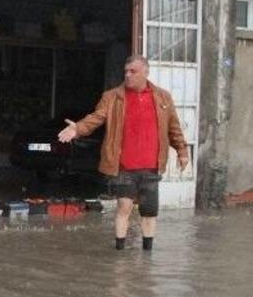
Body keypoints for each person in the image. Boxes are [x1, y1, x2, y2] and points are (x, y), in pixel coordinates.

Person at [58, 55, 189, 251]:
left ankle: (147, 252)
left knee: (149, 211)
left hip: (152, 165)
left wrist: (182, 151)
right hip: (124, 165)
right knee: (124, 207)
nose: (128, 75)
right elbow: (96, 118)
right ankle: (119, 250)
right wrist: (77, 128)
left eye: (133, 72)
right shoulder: (113, 97)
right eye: (126, 72)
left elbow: (174, 128)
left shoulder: (163, 97)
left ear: (146, 72)